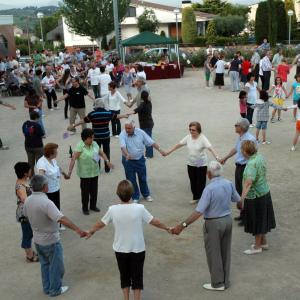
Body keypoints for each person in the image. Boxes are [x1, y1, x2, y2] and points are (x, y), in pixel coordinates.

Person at [85, 180, 169, 300]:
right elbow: (154, 221)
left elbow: (101, 223)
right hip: (138, 249)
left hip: (120, 249)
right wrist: (167, 228)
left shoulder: (112, 209)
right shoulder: (140, 208)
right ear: (132, 193)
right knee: (137, 277)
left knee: (124, 276)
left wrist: (91, 231)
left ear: (117, 194)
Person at [170, 161, 241, 291]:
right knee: (225, 251)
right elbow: (238, 200)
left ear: (209, 174)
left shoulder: (209, 189)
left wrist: (182, 225)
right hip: (227, 221)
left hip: (213, 223)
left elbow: (199, 211)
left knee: (214, 253)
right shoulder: (228, 183)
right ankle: (225, 281)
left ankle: (217, 283)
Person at [23, 175, 87, 296]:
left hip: (37, 240)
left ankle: (47, 288)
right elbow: (61, 219)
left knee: (45, 265)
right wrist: (78, 230)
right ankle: (55, 290)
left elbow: (26, 215)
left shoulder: (28, 200)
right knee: (56, 266)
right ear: (44, 187)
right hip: (51, 241)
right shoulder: (47, 203)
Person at [164, 121, 219, 204]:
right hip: (190, 162)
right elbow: (179, 145)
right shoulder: (188, 137)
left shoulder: (202, 138)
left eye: (193, 130)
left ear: (198, 130)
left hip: (200, 162)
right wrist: (169, 152)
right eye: (190, 129)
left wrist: (217, 157)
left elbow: (211, 148)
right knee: (192, 180)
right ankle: (196, 197)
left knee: (200, 181)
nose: (191, 131)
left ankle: (203, 198)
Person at [71, 98, 128, 173]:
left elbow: (83, 121)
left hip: (96, 137)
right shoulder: (108, 113)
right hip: (106, 136)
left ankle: (97, 168)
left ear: (95, 105)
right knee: (106, 151)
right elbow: (117, 116)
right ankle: (107, 168)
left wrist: (74, 125)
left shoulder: (92, 114)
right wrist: (125, 115)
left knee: (96, 152)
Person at [240, 141, 276, 254]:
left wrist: (241, 199)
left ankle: (257, 247)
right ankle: (263, 242)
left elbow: (248, 183)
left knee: (257, 220)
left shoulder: (251, 164)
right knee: (261, 219)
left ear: (245, 152)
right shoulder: (259, 157)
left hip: (255, 197)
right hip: (264, 192)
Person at [219, 118, 256, 226]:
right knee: (239, 191)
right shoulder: (241, 137)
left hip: (245, 167)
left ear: (242, 128)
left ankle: (247, 218)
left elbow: (253, 155)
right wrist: (226, 157)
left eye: (236, 125)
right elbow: (236, 149)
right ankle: (243, 214)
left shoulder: (250, 139)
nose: (234, 126)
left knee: (246, 192)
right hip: (239, 167)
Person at [67, 128, 113, 215]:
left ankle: (93, 206)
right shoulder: (80, 146)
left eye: (93, 137)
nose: (93, 139)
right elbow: (73, 159)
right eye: (91, 138)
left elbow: (101, 153)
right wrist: (69, 172)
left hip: (94, 172)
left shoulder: (95, 144)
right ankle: (85, 208)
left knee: (94, 190)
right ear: (85, 138)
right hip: (85, 174)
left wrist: (107, 162)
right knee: (85, 192)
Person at [119, 120, 165, 203]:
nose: (127, 130)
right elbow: (123, 146)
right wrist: (127, 154)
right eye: (126, 128)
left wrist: (160, 150)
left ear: (134, 127)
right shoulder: (122, 134)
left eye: (129, 128)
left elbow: (151, 142)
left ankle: (146, 194)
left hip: (140, 159)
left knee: (143, 178)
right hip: (128, 161)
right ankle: (135, 196)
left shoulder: (140, 132)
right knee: (131, 179)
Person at [37, 143, 70, 230]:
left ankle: (58, 225)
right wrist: (43, 187)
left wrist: (65, 174)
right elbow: (41, 176)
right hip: (48, 191)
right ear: (51, 153)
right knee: (50, 210)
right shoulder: (42, 163)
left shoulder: (53, 159)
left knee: (56, 207)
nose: (57, 153)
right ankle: (52, 227)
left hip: (55, 188)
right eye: (56, 151)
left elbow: (58, 168)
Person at [14, 162, 39, 262]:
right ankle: (29, 256)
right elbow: (25, 200)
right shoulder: (20, 186)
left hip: (28, 211)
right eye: (29, 170)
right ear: (25, 173)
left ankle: (30, 252)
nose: (31, 171)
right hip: (25, 213)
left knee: (30, 232)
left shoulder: (24, 181)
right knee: (27, 234)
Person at [127, 91, 154, 158]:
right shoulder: (149, 103)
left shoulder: (142, 104)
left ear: (141, 97)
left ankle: (149, 154)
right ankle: (148, 153)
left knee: (147, 139)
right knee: (148, 138)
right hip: (150, 123)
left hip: (145, 124)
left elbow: (135, 110)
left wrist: (128, 114)